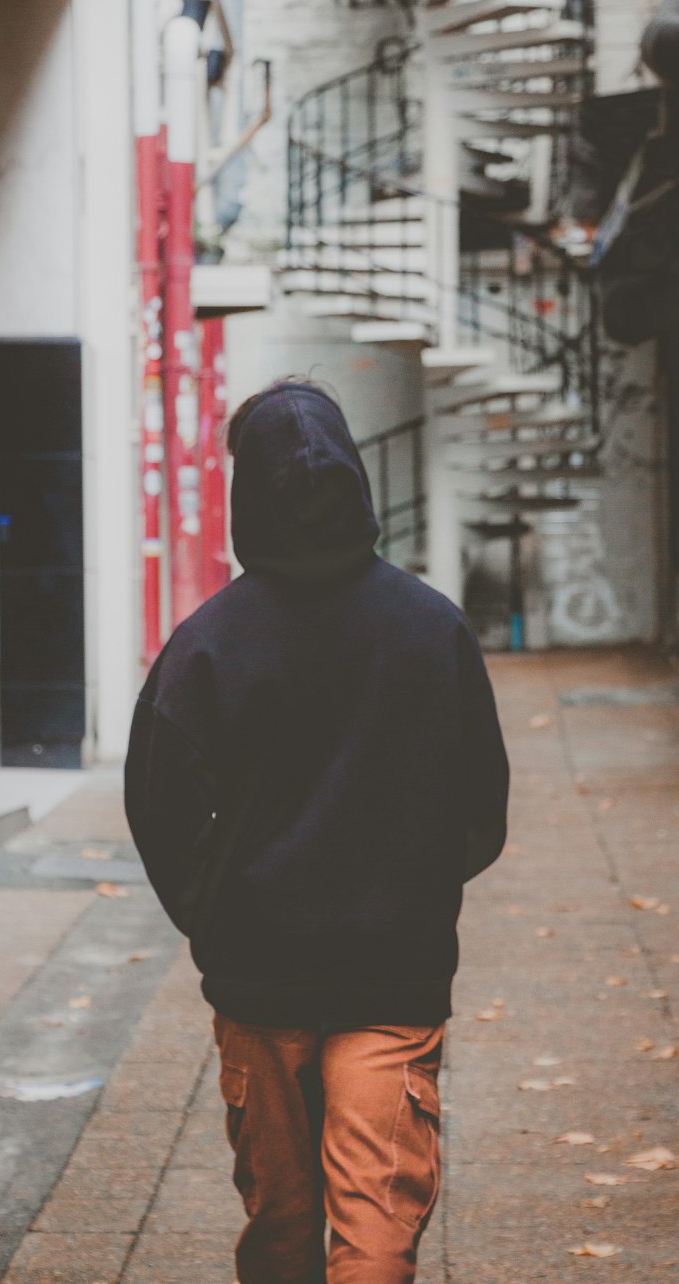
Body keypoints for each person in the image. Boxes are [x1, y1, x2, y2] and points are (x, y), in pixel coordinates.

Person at [124, 378, 509, 1284]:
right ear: (357, 477)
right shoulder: (432, 629)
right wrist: (414, 887)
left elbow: (157, 809)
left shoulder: (206, 645)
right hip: (394, 972)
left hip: (260, 976)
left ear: (243, 492)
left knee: (281, 1223)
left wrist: (215, 909)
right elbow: (482, 806)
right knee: (376, 1226)